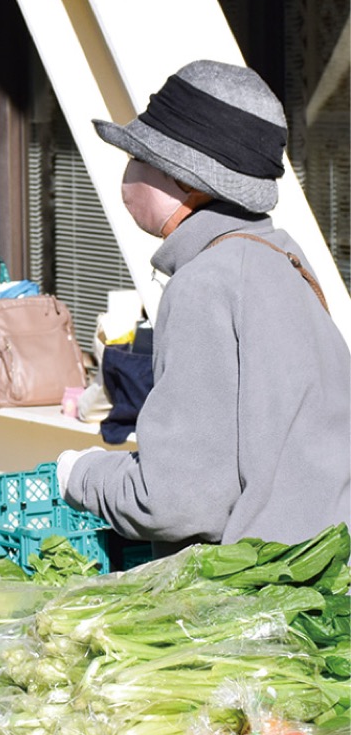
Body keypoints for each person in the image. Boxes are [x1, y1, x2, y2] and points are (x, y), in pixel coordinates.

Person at [57, 60, 350, 551]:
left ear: (190, 184)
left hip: (260, 592)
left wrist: (78, 474)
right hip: (325, 573)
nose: (127, 168)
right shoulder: (281, 255)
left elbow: (175, 501)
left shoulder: (205, 282)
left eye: (140, 156)